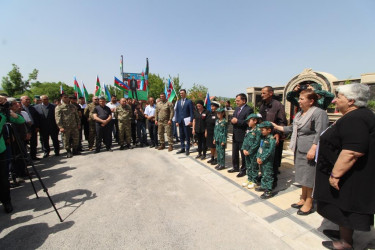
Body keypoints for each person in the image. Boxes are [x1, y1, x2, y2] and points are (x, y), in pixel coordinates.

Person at [313, 83, 375, 249]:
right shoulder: (358, 116)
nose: (334, 101)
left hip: (349, 176)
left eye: (339, 97)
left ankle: (345, 243)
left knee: (345, 207)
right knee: (342, 206)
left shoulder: (356, 118)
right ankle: (344, 234)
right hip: (350, 174)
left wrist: (336, 175)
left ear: (351, 101)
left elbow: (352, 152)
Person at [272, 89, 329, 215]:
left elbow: (321, 132)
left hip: (310, 150)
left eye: (302, 99)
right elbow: (292, 128)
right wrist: (276, 127)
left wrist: (314, 148)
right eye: (299, 98)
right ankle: (303, 198)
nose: (299, 101)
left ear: (311, 101)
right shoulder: (300, 114)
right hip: (299, 148)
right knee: (302, 175)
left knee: (309, 176)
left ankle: (309, 202)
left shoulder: (318, 113)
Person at [0, 95, 25, 213]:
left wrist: (9, 112)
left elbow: (20, 120)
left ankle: (6, 202)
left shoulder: (3, 114)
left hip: (1, 150)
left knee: (3, 179)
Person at [259, 86, 287, 188]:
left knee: (273, 161)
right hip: (264, 137)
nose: (262, 95)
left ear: (271, 93)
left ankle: (272, 182)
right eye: (261, 93)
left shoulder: (278, 105)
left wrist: (278, 133)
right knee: (264, 158)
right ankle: (264, 178)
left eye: (264, 93)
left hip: (274, 137)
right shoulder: (262, 105)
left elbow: (282, 122)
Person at [228, 93, 253, 177]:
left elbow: (248, 122)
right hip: (235, 134)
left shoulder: (248, 109)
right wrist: (232, 120)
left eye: (238, 100)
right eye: (236, 101)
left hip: (243, 135)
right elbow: (233, 118)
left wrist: (237, 121)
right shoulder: (237, 109)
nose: (236, 102)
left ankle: (243, 169)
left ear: (244, 100)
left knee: (243, 154)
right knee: (234, 152)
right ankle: (235, 167)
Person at [55, 93, 81, 158]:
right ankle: (68, 151)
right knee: (66, 140)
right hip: (65, 126)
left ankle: (75, 150)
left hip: (74, 126)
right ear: (61, 98)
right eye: (65, 97)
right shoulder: (59, 107)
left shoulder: (73, 106)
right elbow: (58, 118)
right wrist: (60, 127)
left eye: (67, 97)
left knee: (76, 139)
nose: (66, 98)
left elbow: (77, 116)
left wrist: (78, 124)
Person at [255, 121, 276, 199]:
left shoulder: (271, 139)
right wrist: (258, 157)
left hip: (268, 161)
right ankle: (263, 186)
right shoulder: (263, 139)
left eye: (263, 130)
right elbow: (260, 148)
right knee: (263, 174)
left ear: (269, 130)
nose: (261, 131)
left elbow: (270, 152)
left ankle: (268, 191)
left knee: (268, 175)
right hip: (262, 160)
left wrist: (262, 159)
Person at [241, 114, 262, 189]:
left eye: (249, 121)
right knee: (248, 166)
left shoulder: (258, 130)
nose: (248, 123)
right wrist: (244, 149)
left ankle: (254, 181)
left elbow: (257, 143)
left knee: (254, 167)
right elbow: (245, 140)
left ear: (255, 121)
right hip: (247, 152)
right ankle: (249, 178)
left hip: (253, 153)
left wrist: (249, 151)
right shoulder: (249, 130)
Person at [175, 89, 194, 155]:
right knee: (181, 135)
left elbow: (191, 112)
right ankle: (182, 148)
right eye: (180, 93)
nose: (181, 94)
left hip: (187, 122)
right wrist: (176, 121)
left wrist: (191, 120)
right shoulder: (178, 102)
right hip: (180, 121)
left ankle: (187, 148)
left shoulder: (189, 101)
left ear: (185, 93)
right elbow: (177, 112)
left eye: (182, 93)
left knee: (187, 135)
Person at [21, 96, 40, 160]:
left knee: (34, 143)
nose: (28, 101)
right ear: (22, 100)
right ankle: (26, 158)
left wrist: (37, 126)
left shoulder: (32, 108)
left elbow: (36, 118)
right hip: (24, 129)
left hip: (32, 127)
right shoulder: (20, 109)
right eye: (26, 99)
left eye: (29, 99)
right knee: (25, 144)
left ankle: (33, 156)